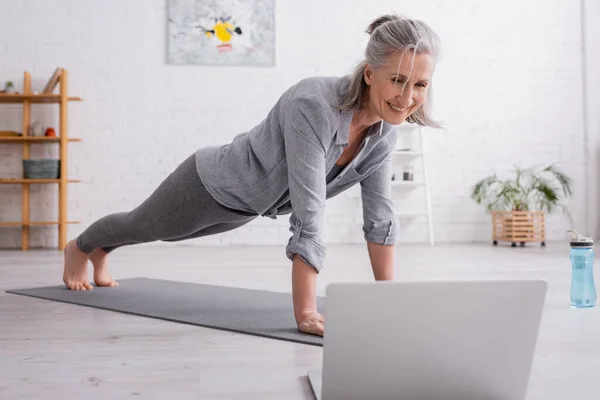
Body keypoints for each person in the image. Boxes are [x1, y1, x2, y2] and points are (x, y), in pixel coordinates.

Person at [62, 14, 441, 337]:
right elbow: (310, 213)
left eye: (420, 84)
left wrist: (390, 303)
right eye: (398, 80)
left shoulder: (383, 136)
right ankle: (81, 247)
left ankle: (102, 250)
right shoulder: (314, 104)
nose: (407, 97)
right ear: (370, 74)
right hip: (210, 183)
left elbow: (380, 218)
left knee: (160, 232)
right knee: (146, 226)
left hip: (248, 205)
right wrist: (305, 313)